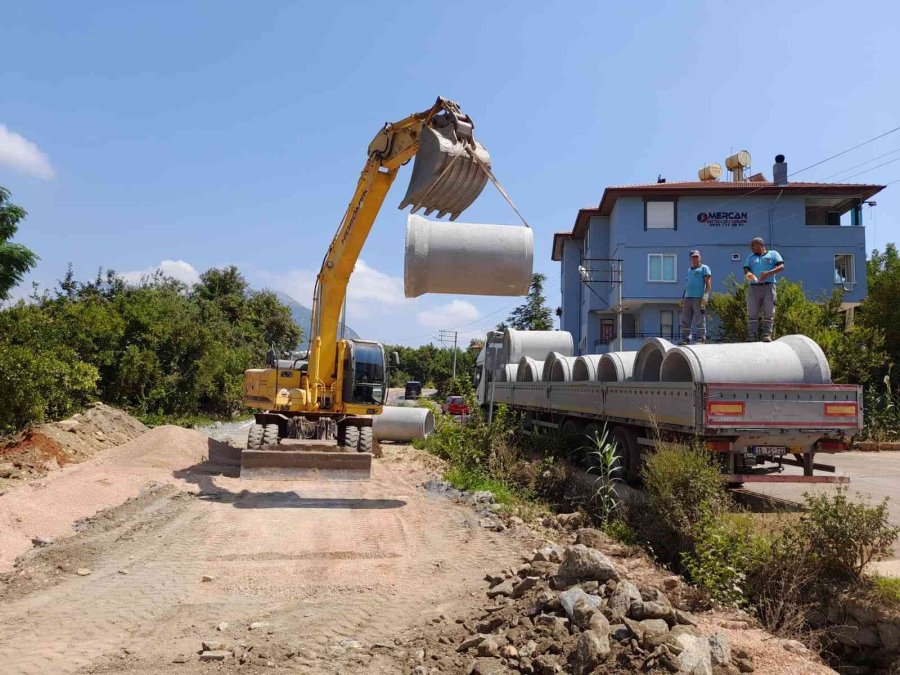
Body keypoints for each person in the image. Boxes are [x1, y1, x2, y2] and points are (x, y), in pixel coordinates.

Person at [743, 237, 784, 342]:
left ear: (760, 245)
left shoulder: (773, 254)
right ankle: (752, 336)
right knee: (752, 312)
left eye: (753, 245)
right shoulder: (751, 257)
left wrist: (768, 273)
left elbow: (781, 267)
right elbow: (746, 268)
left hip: (769, 286)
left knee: (769, 311)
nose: (751, 248)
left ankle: (767, 334)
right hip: (754, 287)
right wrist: (748, 274)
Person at [679, 249, 711, 345]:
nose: (695, 258)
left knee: (699, 319)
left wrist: (706, 295)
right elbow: (687, 285)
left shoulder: (704, 268)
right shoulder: (689, 270)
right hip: (688, 298)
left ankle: (701, 338)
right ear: (690, 258)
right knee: (685, 320)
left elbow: (708, 282)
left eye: (697, 256)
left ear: (700, 257)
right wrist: (683, 297)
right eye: (693, 257)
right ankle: (685, 339)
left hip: (698, 298)